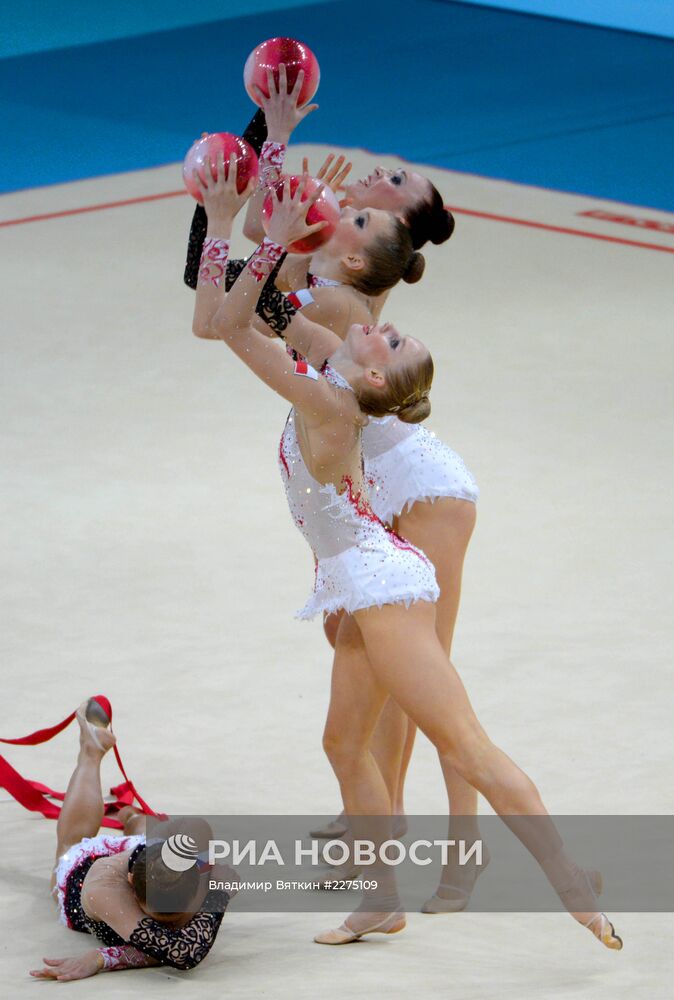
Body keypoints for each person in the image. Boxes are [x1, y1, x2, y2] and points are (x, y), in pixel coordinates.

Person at [199, 178, 623, 951]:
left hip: (387, 580)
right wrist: (247, 227)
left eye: (391, 344)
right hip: (364, 577)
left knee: (462, 742)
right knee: (344, 743)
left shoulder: (329, 399)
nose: (381, 332)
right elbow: (226, 315)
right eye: (392, 336)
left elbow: (233, 324)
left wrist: (247, 232)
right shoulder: (333, 360)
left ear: (372, 380)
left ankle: (570, 882)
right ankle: (381, 897)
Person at [30, 698, 234, 982]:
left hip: (148, 856)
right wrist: (218, 897)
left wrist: (104, 957)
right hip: (84, 872)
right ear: (130, 886)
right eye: (159, 920)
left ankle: (134, 820)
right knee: (68, 846)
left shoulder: (203, 868)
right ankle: (92, 750)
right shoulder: (103, 891)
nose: (170, 926)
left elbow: (170, 945)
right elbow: (180, 952)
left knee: (154, 834)